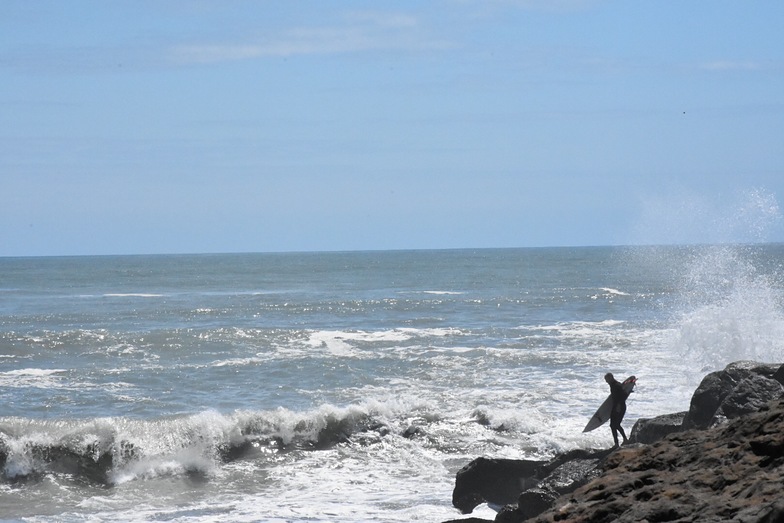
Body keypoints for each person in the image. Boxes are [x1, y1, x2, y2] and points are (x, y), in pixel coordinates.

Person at [605, 372, 631, 448]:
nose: (606, 381)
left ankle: (624, 440)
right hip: (616, 406)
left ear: (611, 378)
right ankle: (617, 443)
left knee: (615, 425)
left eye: (606, 379)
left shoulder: (616, 385)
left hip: (620, 407)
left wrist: (618, 406)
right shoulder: (613, 385)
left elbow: (623, 395)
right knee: (613, 425)